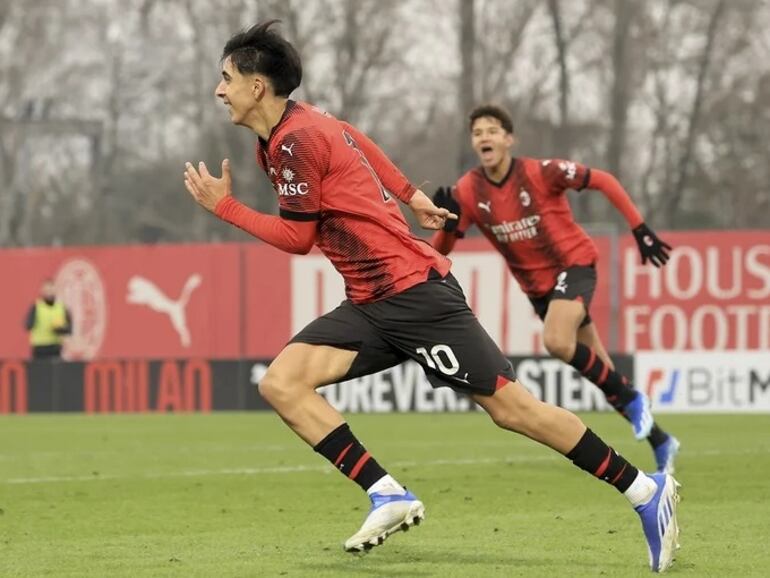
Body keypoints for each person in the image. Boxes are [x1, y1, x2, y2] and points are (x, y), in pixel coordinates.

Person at [183, 21, 680, 572]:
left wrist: (225, 208)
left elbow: (299, 239)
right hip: (372, 303)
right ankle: (387, 494)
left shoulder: (296, 140)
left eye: (226, 77)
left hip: (416, 295)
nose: (218, 89)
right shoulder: (290, 131)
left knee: (514, 410)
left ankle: (643, 489)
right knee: (282, 382)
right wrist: (413, 196)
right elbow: (356, 136)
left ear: (258, 86)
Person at [432, 105, 680, 475]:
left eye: (492, 130)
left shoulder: (539, 172)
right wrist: (448, 221)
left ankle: (633, 399)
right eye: (478, 132)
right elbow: (442, 250)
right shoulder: (469, 190)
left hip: (574, 265)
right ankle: (661, 440)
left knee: (557, 341)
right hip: (539, 290)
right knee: (603, 370)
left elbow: (604, 180)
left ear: (508, 139)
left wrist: (639, 228)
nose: (484, 137)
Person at [24, 278, 72, 360]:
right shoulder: (36, 307)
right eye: (47, 290)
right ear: (42, 292)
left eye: (51, 290)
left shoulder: (61, 308)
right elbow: (28, 325)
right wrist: (31, 323)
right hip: (39, 348)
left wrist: (60, 329)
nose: (49, 293)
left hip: (55, 348)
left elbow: (69, 329)